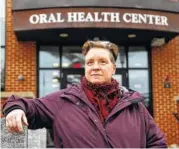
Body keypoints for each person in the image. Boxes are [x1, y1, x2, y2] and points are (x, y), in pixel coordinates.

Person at [2, 40, 167, 148]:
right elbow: (29, 106)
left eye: (102, 62)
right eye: (90, 62)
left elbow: (157, 143)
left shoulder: (134, 106)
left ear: (113, 68)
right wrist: (16, 108)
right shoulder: (63, 100)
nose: (95, 67)